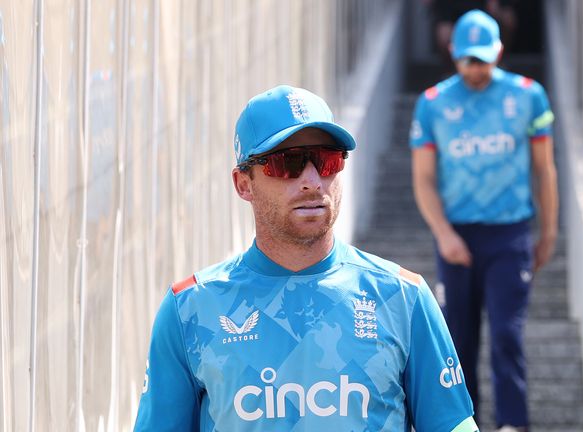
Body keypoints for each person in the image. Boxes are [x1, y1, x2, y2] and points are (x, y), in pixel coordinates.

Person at [134, 85, 479, 432]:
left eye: (327, 160)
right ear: (243, 184)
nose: (312, 181)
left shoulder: (404, 298)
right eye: (289, 163)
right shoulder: (190, 308)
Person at [409, 10, 558, 432]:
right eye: (468, 60)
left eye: (483, 59)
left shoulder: (529, 95)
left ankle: (513, 424)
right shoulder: (433, 103)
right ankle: (463, 423)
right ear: (453, 54)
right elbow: (422, 178)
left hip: (510, 232)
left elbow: (545, 170)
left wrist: (548, 232)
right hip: (457, 233)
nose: (476, 70)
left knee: (507, 335)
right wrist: (443, 234)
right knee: (458, 340)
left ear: (499, 53)